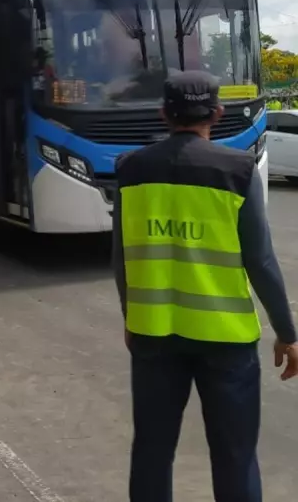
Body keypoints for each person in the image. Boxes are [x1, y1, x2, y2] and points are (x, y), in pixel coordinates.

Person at [113, 70, 298, 502]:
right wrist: (287, 333)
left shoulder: (131, 169)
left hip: (154, 333)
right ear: (216, 113)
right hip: (225, 339)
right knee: (235, 455)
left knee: (152, 451)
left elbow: (120, 256)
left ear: (164, 113)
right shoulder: (237, 170)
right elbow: (261, 261)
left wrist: (130, 317)